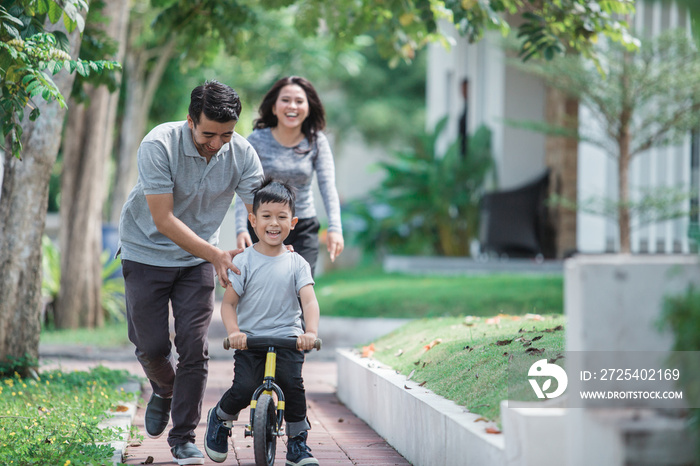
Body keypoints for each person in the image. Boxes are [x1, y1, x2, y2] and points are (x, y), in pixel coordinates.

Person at [118, 80, 264, 465]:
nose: (217, 144)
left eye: (226, 134)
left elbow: (259, 212)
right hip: (145, 251)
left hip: (197, 262)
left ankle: (182, 438)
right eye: (208, 134)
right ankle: (164, 389)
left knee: (194, 348)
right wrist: (216, 252)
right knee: (150, 346)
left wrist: (275, 248)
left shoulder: (243, 153)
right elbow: (163, 219)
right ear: (189, 121)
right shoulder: (159, 144)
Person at [205, 178, 320, 466]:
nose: (274, 223)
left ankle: (297, 444)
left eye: (282, 217)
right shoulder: (244, 262)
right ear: (253, 220)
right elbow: (229, 304)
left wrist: (311, 331)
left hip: (288, 338)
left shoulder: (297, 263)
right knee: (244, 388)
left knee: (293, 388)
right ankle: (220, 418)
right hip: (251, 340)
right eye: (266, 216)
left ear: (292, 222)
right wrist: (234, 331)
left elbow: (309, 301)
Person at [234, 76, 343, 276]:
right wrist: (241, 228)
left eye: (299, 101)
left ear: (308, 108)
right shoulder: (257, 140)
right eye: (285, 100)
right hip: (263, 226)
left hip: (303, 226)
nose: (292, 106)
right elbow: (245, 188)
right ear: (274, 107)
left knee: (301, 288)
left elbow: (328, 187)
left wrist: (335, 227)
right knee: (264, 289)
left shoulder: (317, 141)